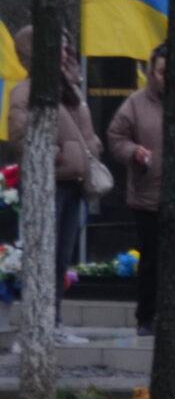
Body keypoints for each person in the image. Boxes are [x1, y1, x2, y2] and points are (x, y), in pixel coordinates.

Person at [106, 46, 175, 332]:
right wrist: (133, 151)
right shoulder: (136, 104)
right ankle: (146, 317)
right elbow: (116, 137)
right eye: (163, 72)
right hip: (148, 195)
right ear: (152, 73)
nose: (168, 78)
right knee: (151, 260)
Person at [5, 25, 107, 269]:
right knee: (44, 261)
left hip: (75, 185)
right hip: (49, 185)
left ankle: (58, 297)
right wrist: (58, 156)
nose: (64, 52)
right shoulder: (24, 92)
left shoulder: (71, 90)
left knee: (62, 260)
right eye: (58, 47)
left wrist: (92, 149)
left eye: (65, 46)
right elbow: (20, 138)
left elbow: (85, 132)